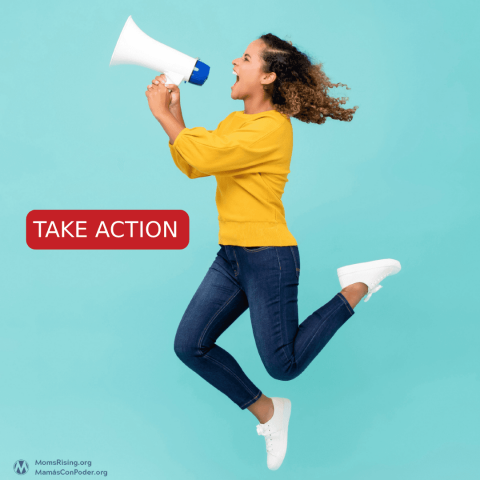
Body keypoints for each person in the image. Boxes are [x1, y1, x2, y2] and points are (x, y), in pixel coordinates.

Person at [145, 34, 401, 471]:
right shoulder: (232, 124)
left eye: (244, 58)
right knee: (190, 345)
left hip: (268, 256)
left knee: (284, 365)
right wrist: (172, 115)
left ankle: (356, 286)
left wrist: (161, 116)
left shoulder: (273, 129)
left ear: (267, 76)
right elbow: (194, 163)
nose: (233, 62)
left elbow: (204, 156)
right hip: (233, 257)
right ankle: (268, 411)